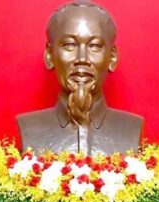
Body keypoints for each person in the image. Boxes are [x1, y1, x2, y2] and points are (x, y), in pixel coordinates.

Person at [17, 0, 143, 155]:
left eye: (94, 46)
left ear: (112, 57)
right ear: (49, 55)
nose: (82, 58)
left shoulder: (131, 128)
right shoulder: (28, 128)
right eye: (69, 45)